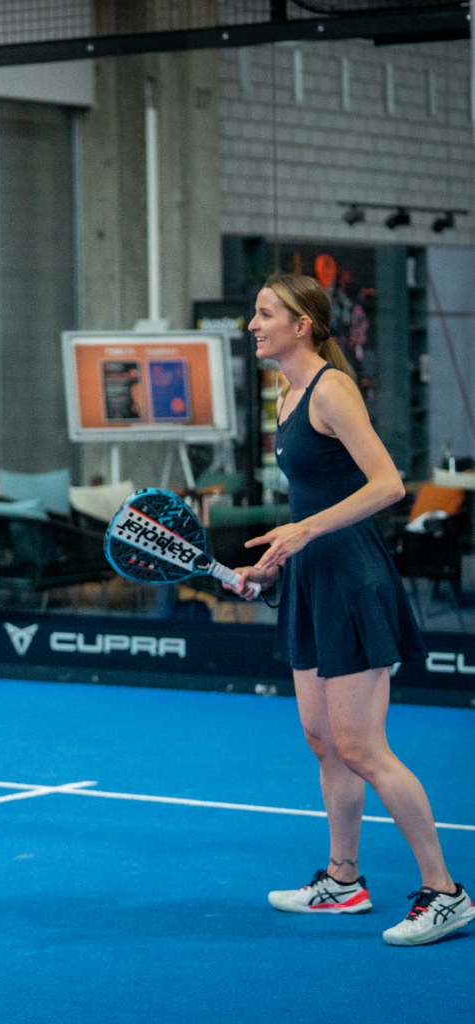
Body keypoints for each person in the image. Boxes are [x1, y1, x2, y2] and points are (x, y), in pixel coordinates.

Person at [228, 272, 474, 947]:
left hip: (353, 579)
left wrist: (306, 534)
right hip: (311, 577)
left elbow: (389, 483)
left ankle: (446, 894)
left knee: (363, 747)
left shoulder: (331, 389)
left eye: (265, 313)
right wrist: (273, 558)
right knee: (323, 741)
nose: (253, 324)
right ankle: (343, 881)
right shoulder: (286, 395)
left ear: (302, 324)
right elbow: (313, 500)